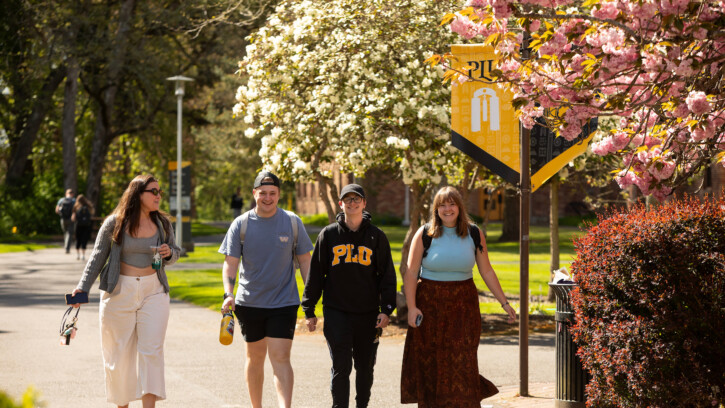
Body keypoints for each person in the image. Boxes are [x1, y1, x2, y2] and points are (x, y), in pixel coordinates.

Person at [69, 175, 181, 408]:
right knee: (118, 356)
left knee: (152, 352)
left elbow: (176, 252)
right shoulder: (114, 223)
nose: (158, 195)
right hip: (119, 291)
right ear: (138, 194)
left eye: (159, 191)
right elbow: (98, 257)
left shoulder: (163, 223)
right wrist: (82, 287)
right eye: (153, 191)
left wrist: (169, 252)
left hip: (154, 291)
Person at [400, 186, 516, 408]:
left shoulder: (474, 233)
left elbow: (487, 271)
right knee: (432, 361)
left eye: (451, 203)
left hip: (464, 304)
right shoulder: (424, 233)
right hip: (429, 304)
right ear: (436, 209)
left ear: (460, 207)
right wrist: (412, 307)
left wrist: (504, 303)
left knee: (463, 360)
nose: (447, 208)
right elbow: (411, 272)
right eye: (442, 204)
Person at [219, 170, 314, 408]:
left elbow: (305, 260)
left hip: (284, 302)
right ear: (254, 194)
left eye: (272, 193)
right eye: (263, 193)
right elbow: (230, 263)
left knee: (281, 357)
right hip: (249, 303)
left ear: (279, 195)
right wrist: (228, 294)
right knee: (255, 357)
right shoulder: (240, 224)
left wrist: (309, 296)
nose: (268, 198)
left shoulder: (292, 222)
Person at [301, 184, 397, 408]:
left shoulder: (377, 236)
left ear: (364, 203)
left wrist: (386, 309)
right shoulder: (329, 235)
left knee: (365, 367)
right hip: (337, 313)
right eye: (348, 199)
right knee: (341, 367)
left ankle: (362, 405)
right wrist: (309, 310)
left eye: (357, 199)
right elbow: (316, 274)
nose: (352, 203)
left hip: (368, 314)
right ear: (340, 204)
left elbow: (387, 276)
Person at [71, 194, 95, 261]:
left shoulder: (76, 207)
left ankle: (78, 255)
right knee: (84, 239)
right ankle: (83, 255)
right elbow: (92, 214)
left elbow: (73, 218)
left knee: (78, 239)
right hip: (86, 226)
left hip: (78, 225)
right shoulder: (88, 206)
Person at [56, 189, 76, 254]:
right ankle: (67, 248)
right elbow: (75, 210)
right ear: (72, 194)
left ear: (66, 193)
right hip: (70, 219)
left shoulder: (61, 200)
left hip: (63, 219)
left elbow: (56, 210)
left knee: (65, 232)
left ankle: (66, 246)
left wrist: (61, 214)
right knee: (69, 234)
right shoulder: (73, 200)